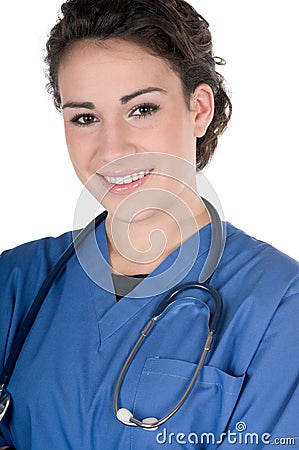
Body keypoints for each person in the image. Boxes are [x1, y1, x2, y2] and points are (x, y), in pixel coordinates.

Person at [0, 0, 298, 448]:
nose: (112, 149)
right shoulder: (15, 282)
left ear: (199, 109)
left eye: (141, 109)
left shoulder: (279, 303)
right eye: (85, 118)